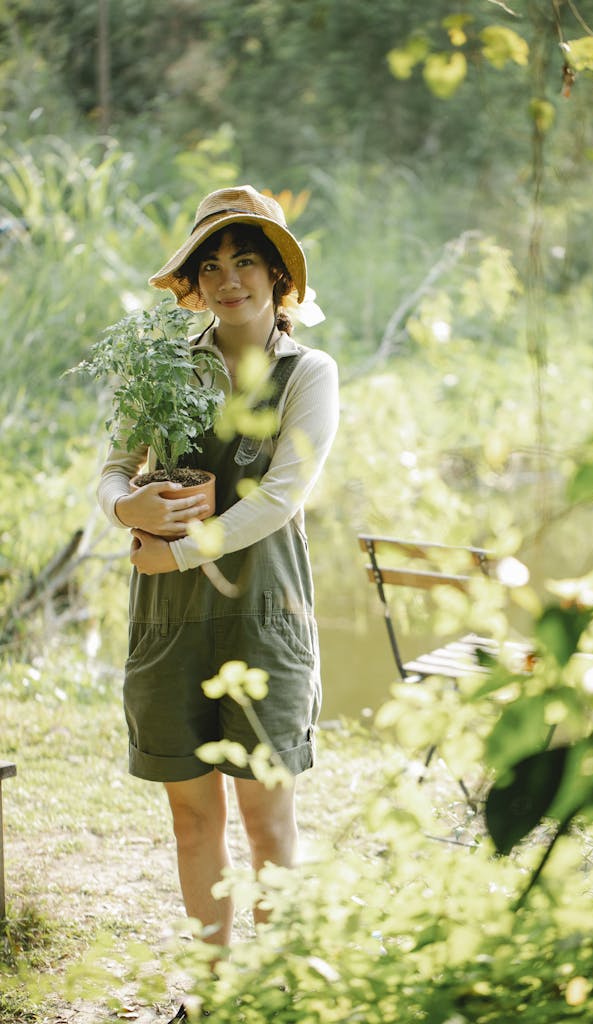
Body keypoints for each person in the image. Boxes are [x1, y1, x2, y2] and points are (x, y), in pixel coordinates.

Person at [97, 186, 339, 1023]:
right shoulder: (165, 366)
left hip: (262, 616)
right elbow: (114, 465)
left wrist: (179, 548)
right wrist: (125, 509)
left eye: (246, 261)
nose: (229, 279)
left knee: (269, 825)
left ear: (278, 278)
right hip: (167, 619)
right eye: (212, 265)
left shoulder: (310, 373)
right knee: (192, 821)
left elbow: (280, 496)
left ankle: (271, 998)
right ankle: (210, 996)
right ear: (194, 285)